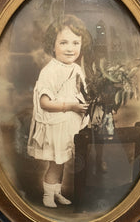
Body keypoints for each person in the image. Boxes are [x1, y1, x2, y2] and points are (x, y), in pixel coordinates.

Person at [27, 14, 91, 208]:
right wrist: (70, 106)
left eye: (75, 43)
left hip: (70, 125)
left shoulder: (77, 69)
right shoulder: (50, 70)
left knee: (62, 162)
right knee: (55, 163)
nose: (70, 48)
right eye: (63, 43)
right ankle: (47, 195)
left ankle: (57, 192)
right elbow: (45, 102)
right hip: (57, 125)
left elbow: (82, 93)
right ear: (52, 45)